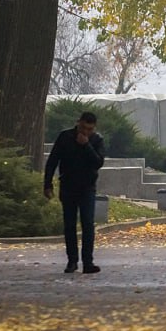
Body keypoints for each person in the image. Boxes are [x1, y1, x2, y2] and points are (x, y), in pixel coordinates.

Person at [44, 111, 106, 274]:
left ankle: (88, 262)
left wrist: (86, 145)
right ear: (78, 123)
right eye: (84, 128)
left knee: (87, 223)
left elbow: (98, 163)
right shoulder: (65, 137)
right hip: (68, 185)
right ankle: (72, 261)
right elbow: (52, 161)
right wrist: (47, 184)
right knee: (70, 225)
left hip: (87, 187)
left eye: (90, 129)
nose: (86, 132)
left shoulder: (96, 140)